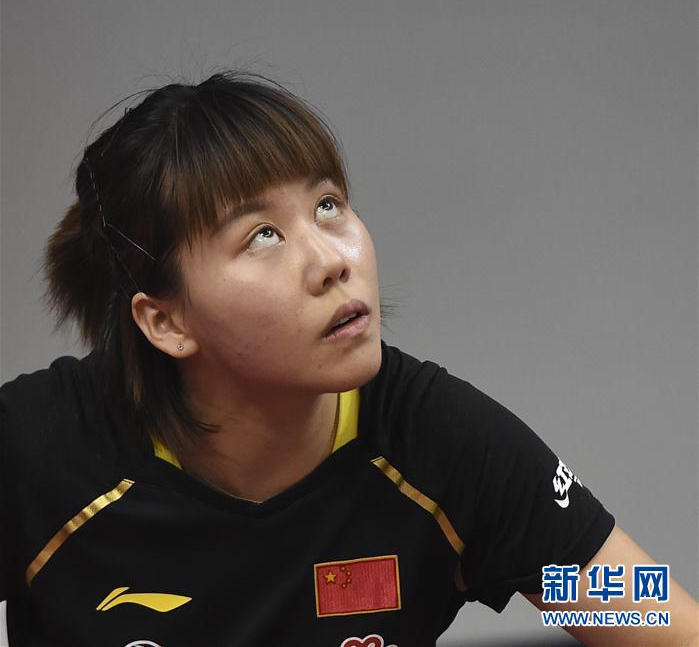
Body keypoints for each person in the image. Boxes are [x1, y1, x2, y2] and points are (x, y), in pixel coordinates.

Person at [0, 70, 696, 647]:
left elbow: (654, 619)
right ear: (167, 321)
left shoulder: (445, 445)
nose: (333, 260)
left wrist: (591, 585)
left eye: (328, 205)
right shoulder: (31, 453)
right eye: (263, 234)